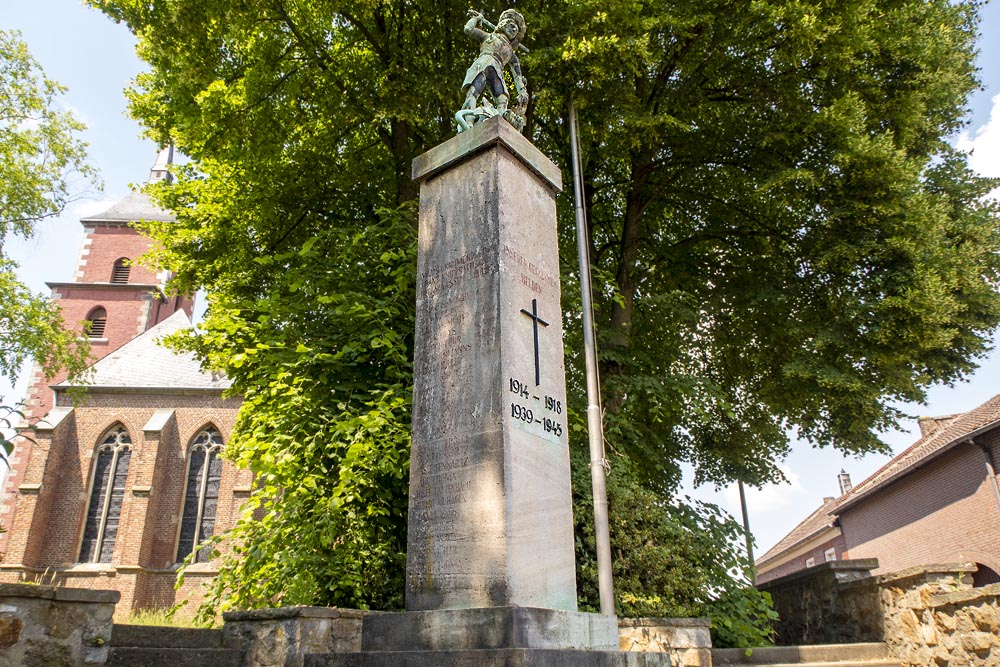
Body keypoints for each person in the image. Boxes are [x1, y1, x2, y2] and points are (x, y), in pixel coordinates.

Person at [460, 9, 528, 128]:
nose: (513, 30)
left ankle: (502, 125)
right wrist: (475, 19)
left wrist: (522, 92)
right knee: (473, 92)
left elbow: (518, 77)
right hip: (483, 64)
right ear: (504, 24)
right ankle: (468, 122)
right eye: (512, 26)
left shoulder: (512, 54)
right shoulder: (488, 37)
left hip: (498, 71)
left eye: (516, 30)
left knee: (503, 100)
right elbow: (468, 29)